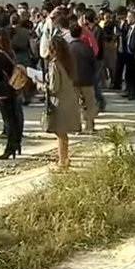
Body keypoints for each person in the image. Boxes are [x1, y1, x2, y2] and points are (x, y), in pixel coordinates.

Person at [43, 35, 82, 169]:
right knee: (63, 133)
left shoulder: (54, 64)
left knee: (60, 133)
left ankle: (63, 161)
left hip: (59, 102)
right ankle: (64, 158)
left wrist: (41, 85)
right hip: (69, 99)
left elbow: (54, 87)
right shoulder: (67, 61)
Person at [0, 31, 24, 159]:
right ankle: (17, 144)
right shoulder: (11, 53)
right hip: (14, 88)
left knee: (8, 121)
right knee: (16, 118)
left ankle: (10, 147)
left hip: (3, 91)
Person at [68, 23, 98, 133]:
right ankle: (89, 126)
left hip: (73, 80)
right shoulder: (87, 48)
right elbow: (94, 64)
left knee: (75, 105)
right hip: (87, 79)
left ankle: (76, 127)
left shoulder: (68, 48)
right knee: (90, 104)